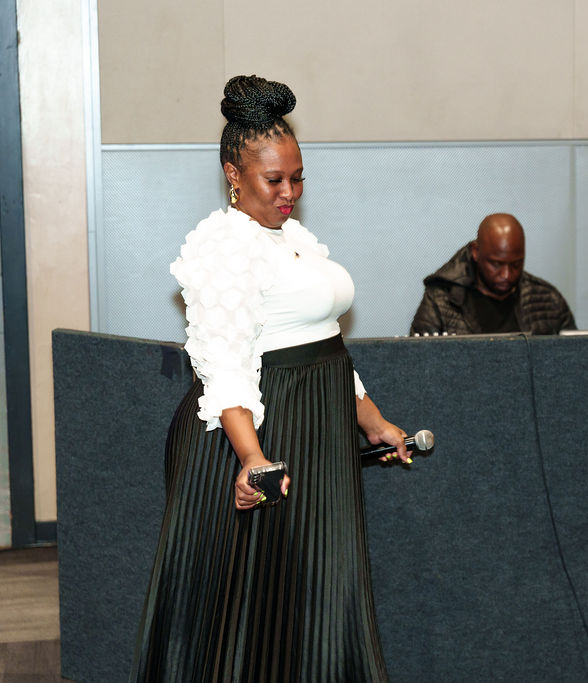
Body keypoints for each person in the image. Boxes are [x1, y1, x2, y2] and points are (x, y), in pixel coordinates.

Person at [132, 75, 408, 682]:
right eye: (275, 180)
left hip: (319, 436)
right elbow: (223, 365)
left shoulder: (293, 238)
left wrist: (374, 422)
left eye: (298, 178)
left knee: (322, 595)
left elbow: (327, 351)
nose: (290, 193)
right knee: (259, 617)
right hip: (257, 436)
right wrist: (253, 458)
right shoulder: (224, 246)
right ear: (233, 174)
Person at [409, 213, 576, 335]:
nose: (507, 275)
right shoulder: (441, 301)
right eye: (496, 264)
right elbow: (418, 365)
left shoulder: (548, 300)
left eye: (516, 264)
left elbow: (576, 362)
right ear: (476, 252)